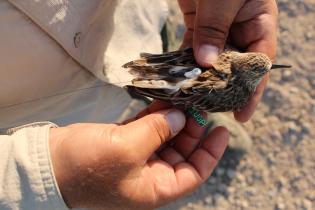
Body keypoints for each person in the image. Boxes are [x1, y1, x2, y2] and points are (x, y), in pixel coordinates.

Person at [0, 0, 277, 209]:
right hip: (74, 105)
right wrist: (45, 173)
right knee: (193, 110)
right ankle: (197, 120)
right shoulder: (235, 95)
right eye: (260, 72)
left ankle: (193, 116)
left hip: (137, 26)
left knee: (175, 75)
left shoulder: (228, 60)